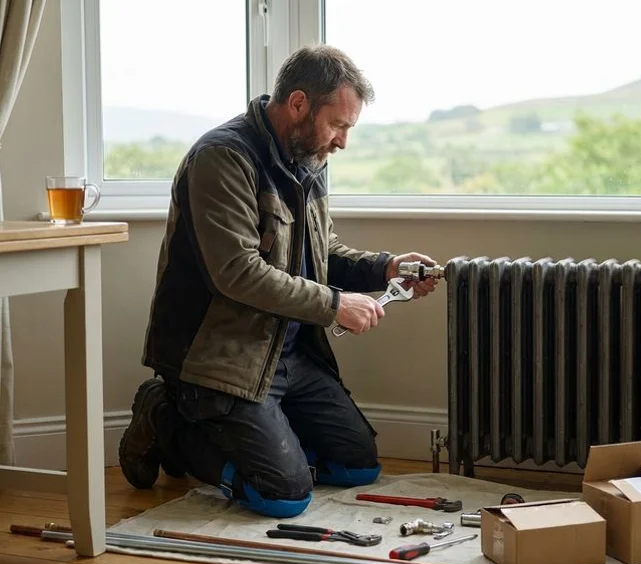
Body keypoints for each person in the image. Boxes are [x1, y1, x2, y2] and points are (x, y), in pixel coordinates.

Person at [118, 44, 439, 518]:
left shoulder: (310, 158)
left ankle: (266, 437)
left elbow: (321, 252)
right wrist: (335, 306)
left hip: (289, 353)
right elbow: (238, 273)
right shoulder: (221, 158)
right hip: (223, 357)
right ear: (299, 104)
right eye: (339, 125)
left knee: (357, 466)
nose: (343, 142)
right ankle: (164, 416)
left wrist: (386, 268)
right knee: (283, 496)